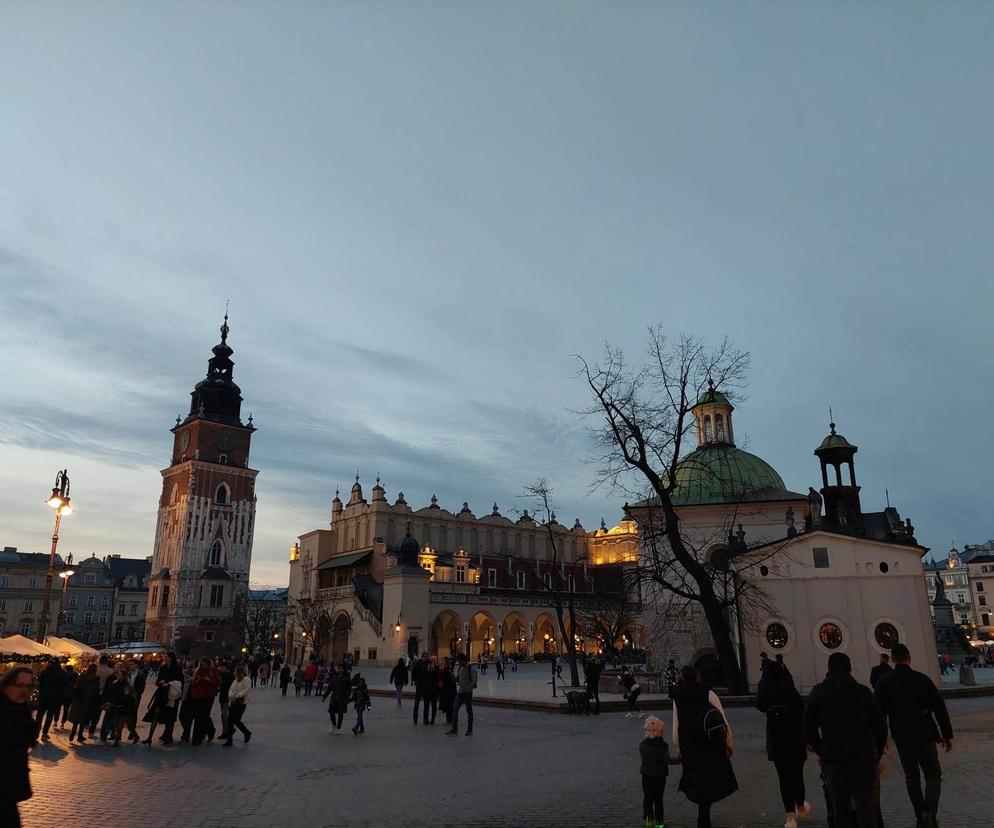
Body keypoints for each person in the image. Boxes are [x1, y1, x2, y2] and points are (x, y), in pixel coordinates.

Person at [803, 652, 887, 828]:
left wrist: (822, 751)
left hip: (834, 761)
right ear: (849, 668)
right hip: (863, 759)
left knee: (840, 812)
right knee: (867, 813)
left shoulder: (818, 693)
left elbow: (808, 728)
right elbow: (880, 726)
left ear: (829, 668)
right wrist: (876, 755)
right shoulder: (863, 692)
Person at [874, 644, 953, 828]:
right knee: (933, 774)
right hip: (925, 734)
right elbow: (939, 708)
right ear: (909, 658)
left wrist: (881, 738)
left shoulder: (885, 682)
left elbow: (878, 713)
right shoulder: (922, 679)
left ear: (893, 659)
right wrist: (946, 735)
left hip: (902, 737)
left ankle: (920, 814)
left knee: (912, 777)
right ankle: (929, 812)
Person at [671, 665, 737, 828]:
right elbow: (721, 720)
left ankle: (703, 817)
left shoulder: (678, 696)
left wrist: (678, 747)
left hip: (689, 746)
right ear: (697, 676)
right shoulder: (708, 693)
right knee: (708, 782)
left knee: (698, 783)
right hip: (710, 744)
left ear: (682, 677)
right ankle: (704, 817)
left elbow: (676, 725)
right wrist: (729, 743)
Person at [757, 660, 810, 828]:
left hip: (777, 740)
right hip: (794, 738)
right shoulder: (790, 690)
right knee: (797, 775)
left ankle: (790, 817)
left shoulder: (765, 692)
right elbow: (803, 713)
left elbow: (759, 705)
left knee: (784, 778)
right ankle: (800, 804)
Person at [0, 667, 36, 828]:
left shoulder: (21, 709)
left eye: (28, 686)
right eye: (20, 685)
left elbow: (28, 738)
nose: (25, 690)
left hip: (9, 785)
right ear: (7, 685)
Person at [639, 715, 682, 828]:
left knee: (647, 797)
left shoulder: (642, 745)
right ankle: (659, 822)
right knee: (658, 798)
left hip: (646, 775)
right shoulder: (662, 746)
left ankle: (648, 820)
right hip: (659, 776)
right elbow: (668, 760)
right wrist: (680, 759)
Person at [143, 652, 183, 745]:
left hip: (171, 695)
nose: (165, 658)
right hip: (161, 694)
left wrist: (169, 683)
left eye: (167, 657)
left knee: (170, 716)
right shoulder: (163, 668)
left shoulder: (177, 669)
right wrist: (160, 683)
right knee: (155, 715)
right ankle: (149, 737)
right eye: (165, 657)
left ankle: (168, 736)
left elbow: (180, 681)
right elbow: (157, 682)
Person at [189, 657, 220, 745]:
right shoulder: (198, 671)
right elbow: (193, 684)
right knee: (199, 717)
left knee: (204, 715)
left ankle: (203, 734)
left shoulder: (213, 671)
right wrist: (198, 680)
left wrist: (208, 680)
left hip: (208, 696)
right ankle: (200, 736)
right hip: (197, 696)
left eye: (205, 664)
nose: (203, 665)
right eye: (202, 664)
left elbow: (217, 682)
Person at [68, 663, 100, 743]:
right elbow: (96, 691)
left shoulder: (82, 676)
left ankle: (72, 733)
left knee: (76, 718)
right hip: (88, 701)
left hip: (78, 700)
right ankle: (80, 735)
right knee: (83, 719)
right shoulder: (96, 679)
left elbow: (75, 687)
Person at [446, 653, 476, 736]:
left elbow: (474, 681)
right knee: (454, 709)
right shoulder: (460, 667)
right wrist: (451, 675)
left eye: (459, 660)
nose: (458, 662)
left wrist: (468, 689)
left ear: (463, 660)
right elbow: (457, 679)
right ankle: (454, 728)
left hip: (467, 692)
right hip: (460, 692)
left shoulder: (470, 668)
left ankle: (470, 729)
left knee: (469, 710)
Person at [222, 664, 252, 746]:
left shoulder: (247, 679)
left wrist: (238, 696)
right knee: (230, 721)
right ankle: (229, 740)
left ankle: (247, 732)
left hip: (241, 704)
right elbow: (231, 690)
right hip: (233, 703)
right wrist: (231, 696)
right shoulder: (235, 681)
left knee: (236, 720)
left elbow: (246, 689)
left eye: (236, 672)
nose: (235, 674)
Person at [36, 658, 65, 740]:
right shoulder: (62, 673)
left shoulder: (45, 672)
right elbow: (62, 686)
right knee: (49, 716)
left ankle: (36, 733)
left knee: (40, 715)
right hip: (54, 698)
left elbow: (39, 683)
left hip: (43, 696)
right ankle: (44, 734)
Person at [323, 664, 351, 735]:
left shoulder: (347, 677)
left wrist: (347, 698)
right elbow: (330, 687)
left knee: (340, 713)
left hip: (342, 697)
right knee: (331, 711)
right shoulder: (334, 676)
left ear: (343, 669)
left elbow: (349, 689)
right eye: (339, 668)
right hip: (334, 697)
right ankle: (334, 725)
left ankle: (339, 728)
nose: (340, 670)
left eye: (341, 669)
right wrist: (325, 695)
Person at [411, 652, 432, 725]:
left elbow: (431, 674)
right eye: (425, 656)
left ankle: (425, 719)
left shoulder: (429, 663)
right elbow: (413, 673)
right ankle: (415, 719)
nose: (426, 658)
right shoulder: (418, 663)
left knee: (427, 703)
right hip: (420, 685)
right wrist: (416, 681)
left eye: (427, 656)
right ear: (422, 657)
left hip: (427, 686)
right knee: (417, 703)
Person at [218, 662, 235, 739]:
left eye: (221, 667)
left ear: (225, 667)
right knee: (224, 716)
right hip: (223, 698)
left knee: (224, 715)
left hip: (227, 698)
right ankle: (227, 730)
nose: (219, 668)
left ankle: (227, 731)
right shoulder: (222, 675)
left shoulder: (230, 675)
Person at [438, 658, 457, 724]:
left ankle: (450, 719)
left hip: (448, 691)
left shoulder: (448, 671)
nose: (441, 666)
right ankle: (449, 719)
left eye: (443, 664)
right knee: (448, 705)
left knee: (449, 705)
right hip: (447, 691)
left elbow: (450, 681)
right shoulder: (447, 670)